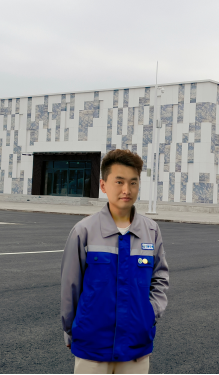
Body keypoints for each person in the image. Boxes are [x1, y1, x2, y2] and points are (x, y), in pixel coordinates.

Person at [61, 149, 169, 374]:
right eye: (119, 182)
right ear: (103, 185)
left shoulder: (151, 231)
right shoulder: (84, 231)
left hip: (135, 347)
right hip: (92, 348)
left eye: (133, 183)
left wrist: (150, 314)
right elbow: (70, 287)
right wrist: (71, 330)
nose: (126, 190)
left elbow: (160, 278)